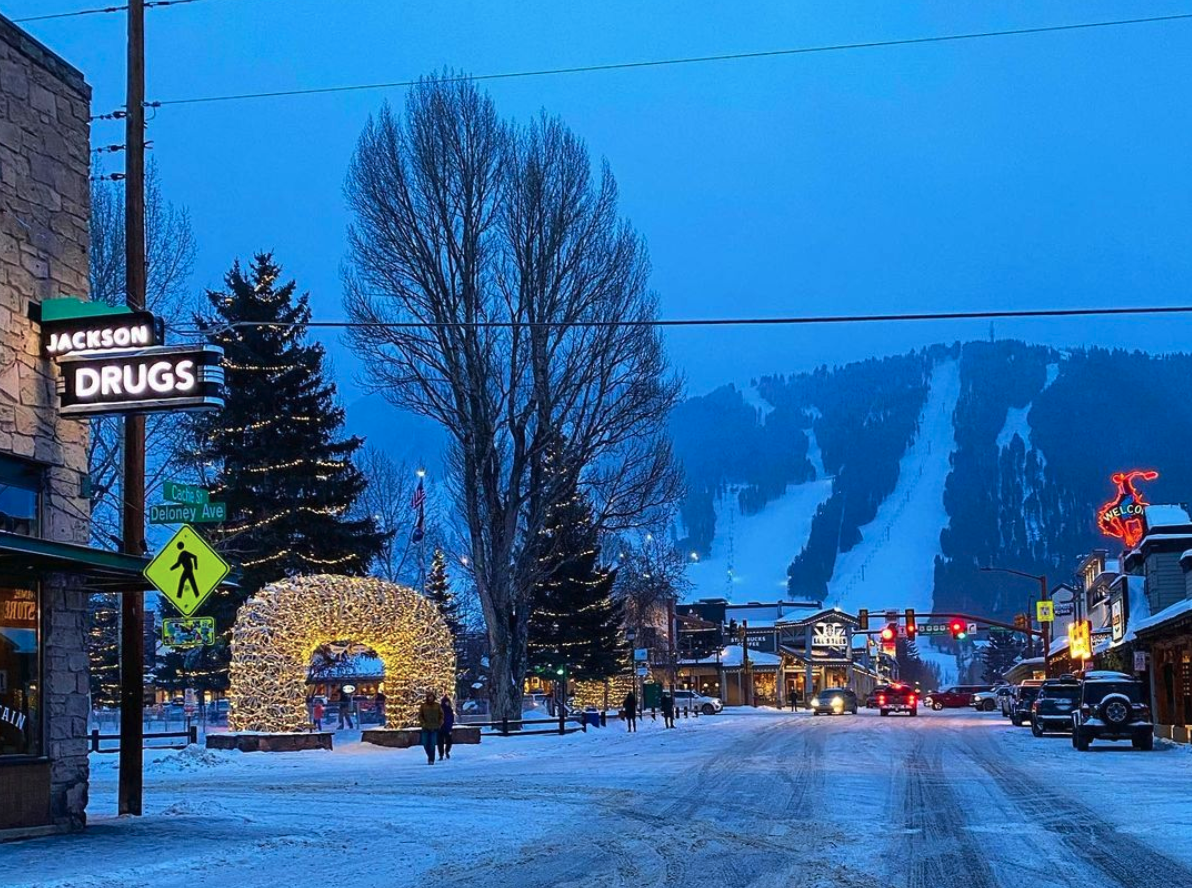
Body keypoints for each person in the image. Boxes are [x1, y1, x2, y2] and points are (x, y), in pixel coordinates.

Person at [417, 691, 444, 765]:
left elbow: (441, 715)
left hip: (434, 727)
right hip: (426, 727)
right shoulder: (423, 706)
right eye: (429, 696)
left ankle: (431, 759)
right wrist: (423, 723)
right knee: (425, 744)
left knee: (432, 744)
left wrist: (440, 723)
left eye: (432, 696)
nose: (430, 698)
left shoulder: (437, 705)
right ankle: (429, 755)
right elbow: (420, 715)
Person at [438, 695, 455, 761]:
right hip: (441, 728)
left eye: (448, 702)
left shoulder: (450, 709)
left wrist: (450, 726)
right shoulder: (440, 709)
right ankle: (441, 754)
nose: (447, 703)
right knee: (440, 742)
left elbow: (451, 719)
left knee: (449, 741)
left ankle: (446, 751)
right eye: (446, 702)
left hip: (447, 728)